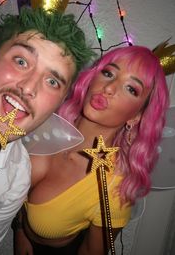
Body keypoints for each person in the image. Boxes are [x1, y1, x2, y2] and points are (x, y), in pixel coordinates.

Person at [0, 6, 94, 254]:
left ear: (59, 103)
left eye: (52, 81)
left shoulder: (16, 180)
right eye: (21, 61)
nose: (29, 87)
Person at [13, 45, 169, 255]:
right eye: (108, 73)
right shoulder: (47, 121)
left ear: (136, 116)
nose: (109, 88)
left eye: (131, 88)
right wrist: (20, 230)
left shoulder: (114, 188)